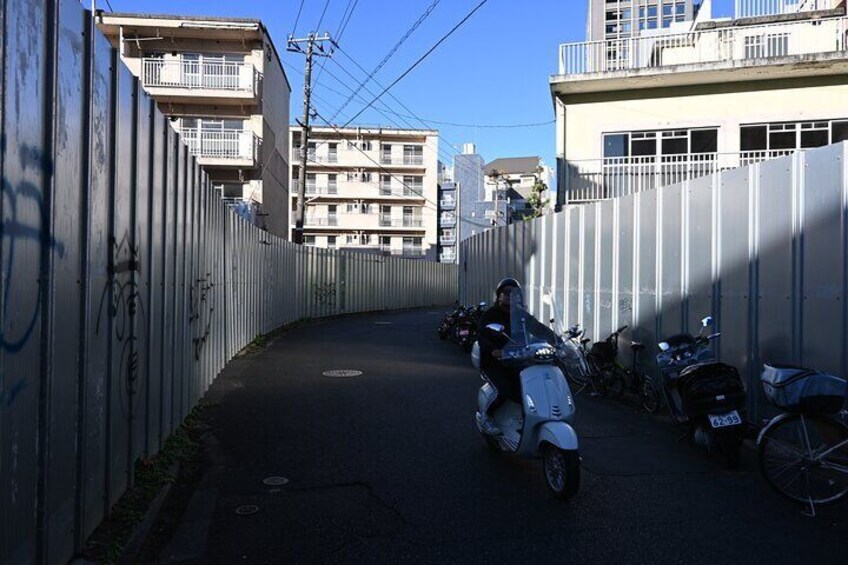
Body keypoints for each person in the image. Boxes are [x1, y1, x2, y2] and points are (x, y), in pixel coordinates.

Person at [476, 277, 557, 436]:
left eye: (515, 293)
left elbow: (538, 328)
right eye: (506, 292)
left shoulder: (520, 315)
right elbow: (482, 337)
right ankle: (487, 417)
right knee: (503, 390)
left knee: (532, 387)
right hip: (495, 362)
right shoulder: (490, 315)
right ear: (499, 296)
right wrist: (494, 350)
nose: (511, 295)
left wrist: (559, 341)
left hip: (518, 360)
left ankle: (525, 422)